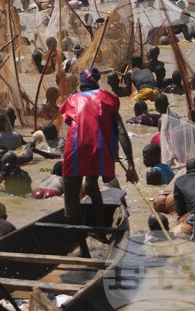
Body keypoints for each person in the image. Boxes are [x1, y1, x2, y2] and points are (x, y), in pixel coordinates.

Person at [59, 68, 138, 226]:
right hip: (98, 150)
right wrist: (130, 164)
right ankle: (100, 227)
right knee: (92, 184)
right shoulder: (106, 98)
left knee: (72, 199)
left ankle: (81, 244)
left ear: (81, 86)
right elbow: (121, 132)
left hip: (75, 149)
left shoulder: (72, 99)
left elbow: (73, 123)